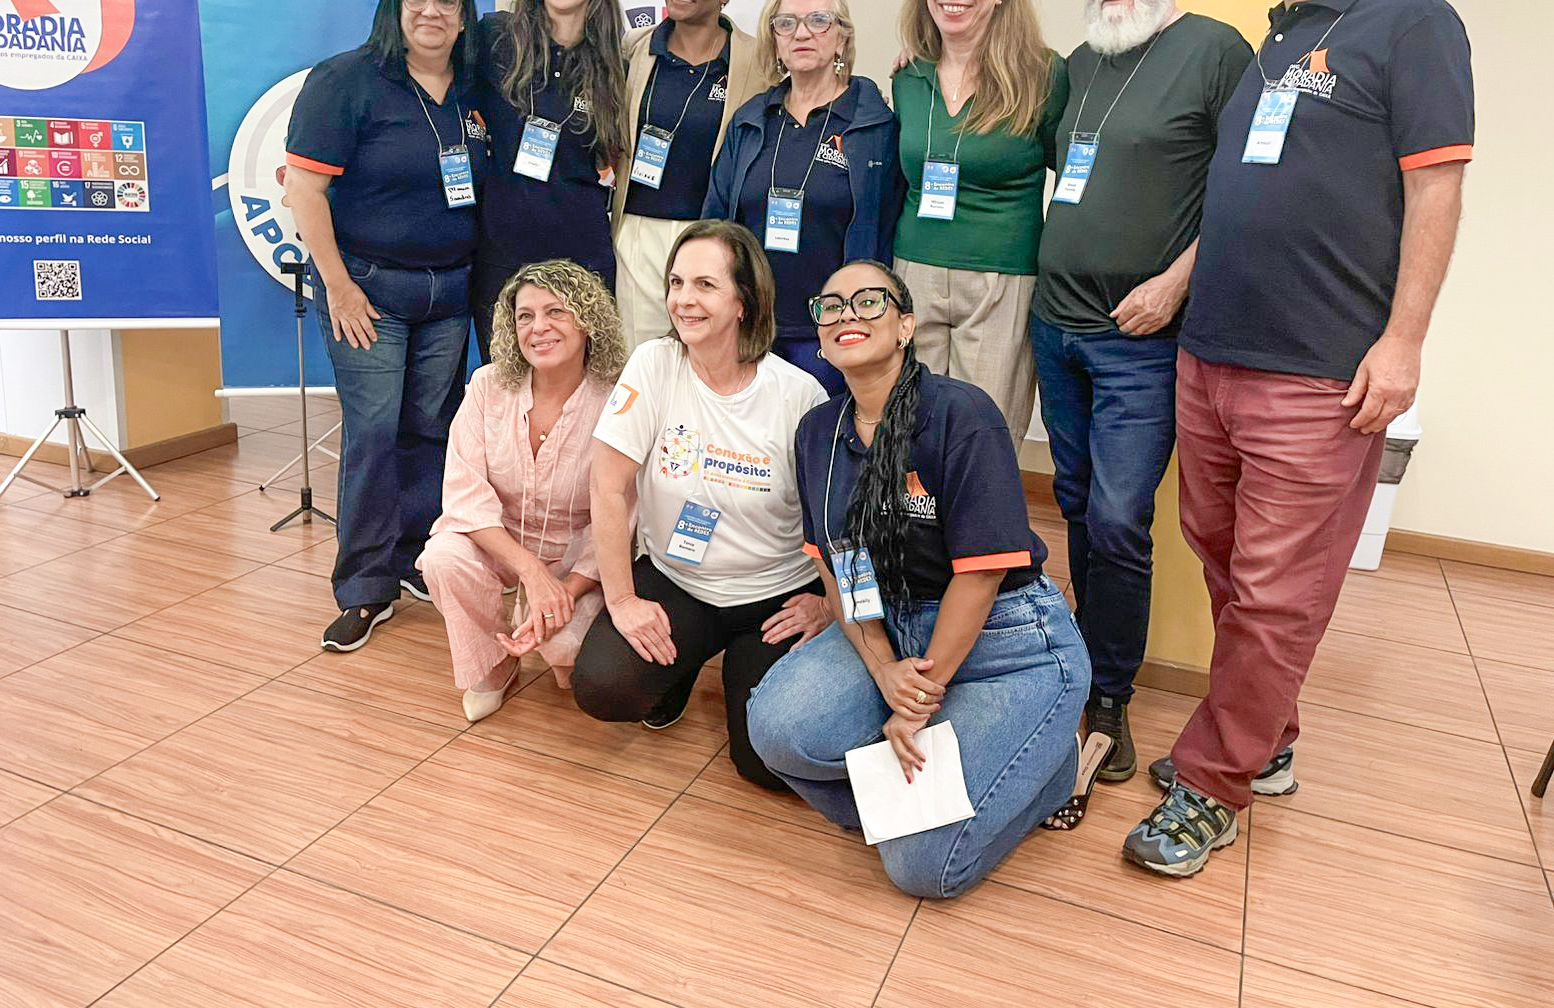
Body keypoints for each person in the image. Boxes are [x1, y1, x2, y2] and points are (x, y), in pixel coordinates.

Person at [1124, 0, 1473, 877]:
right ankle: (1261, 739)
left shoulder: (1411, 23)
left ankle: (1214, 784)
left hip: (1317, 372)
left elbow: (1436, 189)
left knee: (1277, 589)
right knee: (1227, 563)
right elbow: (1243, 197)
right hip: (1212, 356)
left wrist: (1403, 343)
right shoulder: (1275, 41)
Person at [747, 260, 1088, 898]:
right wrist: (884, 672)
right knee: (775, 730)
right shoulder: (818, 433)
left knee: (924, 870)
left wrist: (917, 700)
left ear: (906, 326)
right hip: (891, 624)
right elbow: (835, 568)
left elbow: (981, 578)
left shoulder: (963, 414)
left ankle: (1050, 765)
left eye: (869, 301)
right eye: (831, 306)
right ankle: (935, 794)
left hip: (1006, 643)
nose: (847, 314)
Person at [1030, 0, 1251, 781]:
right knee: (1076, 503)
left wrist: (1176, 283)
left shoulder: (1214, 52)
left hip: (1141, 339)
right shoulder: (1080, 66)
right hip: (1058, 327)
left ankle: (1111, 699)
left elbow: (1243, 190)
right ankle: (1083, 670)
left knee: (1120, 520)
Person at [575, 219, 829, 788]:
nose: (683, 299)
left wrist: (827, 607)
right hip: (677, 578)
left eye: (705, 285)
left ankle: (737, 664)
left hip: (774, 596)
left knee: (763, 766)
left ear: (745, 301)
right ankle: (681, 666)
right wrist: (622, 600)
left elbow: (841, 520)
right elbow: (607, 486)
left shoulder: (798, 396)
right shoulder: (654, 364)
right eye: (676, 283)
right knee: (604, 687)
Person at [284, 0, 487, 652]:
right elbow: (304, 190)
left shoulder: (475, 90)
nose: (432, 12)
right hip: (369, 291)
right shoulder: (347, 81)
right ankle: (364, 585)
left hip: (451, 293)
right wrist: (338, 287)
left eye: (447, 0)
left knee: (432, 429)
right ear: (394, 3)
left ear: (465, 14)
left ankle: (412, 559)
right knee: (373, 432)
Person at [890, 0, 1069, 454]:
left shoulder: (1043, 75)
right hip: (914, 271)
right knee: (908, 438)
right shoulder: (908, 77)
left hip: (1001, 279)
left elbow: (1074, 183)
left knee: (981, 444)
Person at [420, 260, 628, 721]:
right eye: (525, 317)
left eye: (556, 312)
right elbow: (464, 496)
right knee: (442, 557)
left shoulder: (617, 400)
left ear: (587, 321)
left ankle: (553, 632)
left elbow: (622, 516)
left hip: (579, 557)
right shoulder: (486, 386)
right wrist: (532, 574)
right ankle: (494, 661)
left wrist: (565, 591)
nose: (539, 328)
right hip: (503, 542)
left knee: (567, 660)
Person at [703, 0, 905, 394]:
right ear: (774, 38)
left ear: (841, 37)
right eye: (786, 23)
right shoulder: (751, 121)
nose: (802, 33)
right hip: (753, 327)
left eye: (818, 20)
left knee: (826, 433)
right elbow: (716, 225)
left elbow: (888, 232)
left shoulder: (875, 125)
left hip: (835, 330)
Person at [612, 0, 780, 351]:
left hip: (715, 243)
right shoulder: (633, 51)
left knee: (710, 365)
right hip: (638, 238)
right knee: (642, 365)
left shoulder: (759, 65)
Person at [472, 0, 628, 351]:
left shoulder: (616, 62)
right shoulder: (495, 40)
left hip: (583, 262)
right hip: (503, 260)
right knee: (505, 382)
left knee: (582, 384)